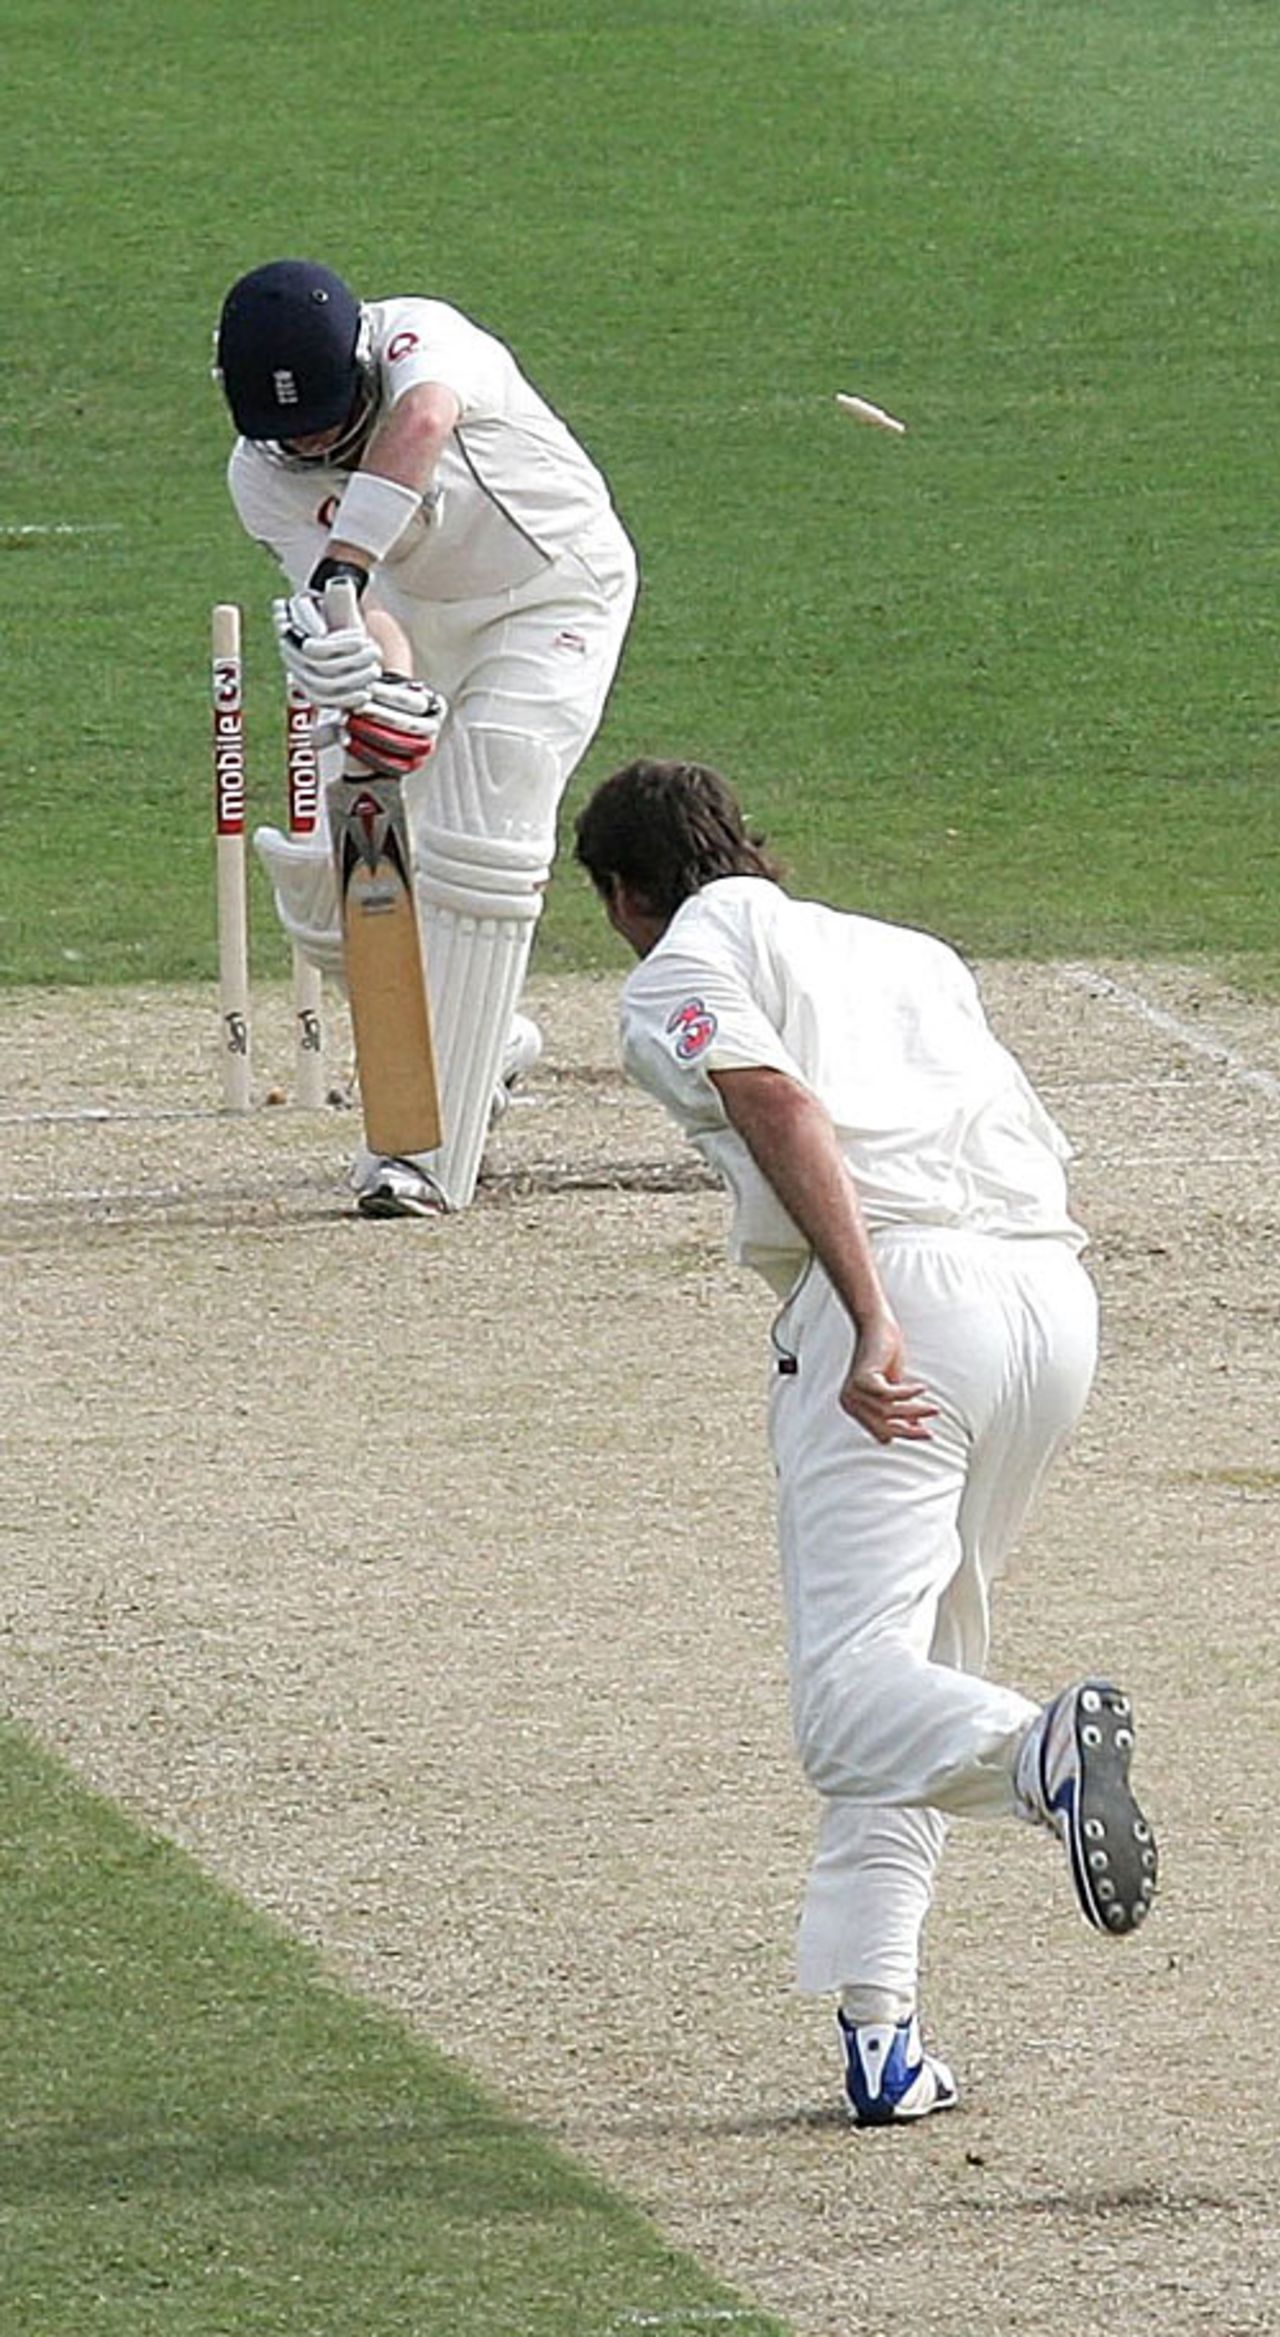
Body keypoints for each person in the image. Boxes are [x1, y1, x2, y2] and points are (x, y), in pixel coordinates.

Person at [573, 757, 1159, 2128]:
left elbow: (777, 1101)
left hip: (905, 1306)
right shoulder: (907, 951)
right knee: (915, 1679)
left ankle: (1042, 1754)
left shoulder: (679, 965)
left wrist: (871, 1312)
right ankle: (880, 2035)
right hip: (1047, 1303)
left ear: (624, 895)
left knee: (849, 1708)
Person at [213, 258, 638, 1216]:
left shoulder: (421, 339)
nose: (311, 442)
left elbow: (423, 423)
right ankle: (487, 1039)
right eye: (289, 432)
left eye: (326, 419)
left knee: (490, 808)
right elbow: (360, 610)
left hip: (551, 594)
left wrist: (343, 566)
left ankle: (427, 1156)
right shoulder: (259, 478)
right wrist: (373, 679)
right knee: (333, 895)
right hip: (417, 621)